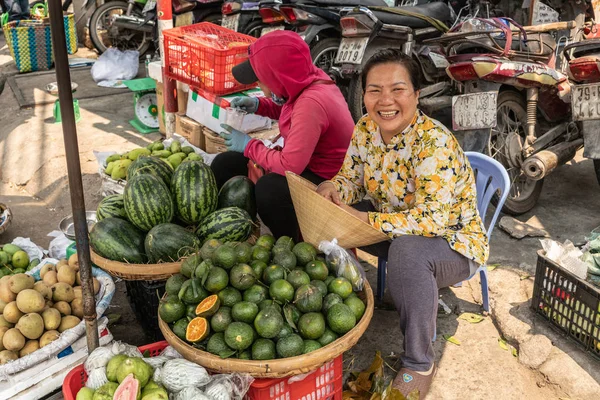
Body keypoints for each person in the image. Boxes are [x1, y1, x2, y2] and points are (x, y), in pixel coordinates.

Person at [317, 49, 489, 397]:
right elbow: (351, 178)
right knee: (325, 219)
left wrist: (364, 217)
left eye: (397, 89)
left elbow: (432, 219)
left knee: (408, 253)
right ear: (362, 94)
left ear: (416, 95)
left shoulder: (432, 143)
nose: (385, 101)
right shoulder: (366, 128)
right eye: (374, 90)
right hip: (393, 227)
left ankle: (418, 363)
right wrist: (333, 188)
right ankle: (338, 312)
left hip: (452, 243)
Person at [210, 30, 355, 242]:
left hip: (327, 179)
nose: (258, 85)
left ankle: (292, 244)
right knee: (226, 163)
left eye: (260, 79)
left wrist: (249, 146)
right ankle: (229, 229)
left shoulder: (312, 103)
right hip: (306, 162)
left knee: (269, 190)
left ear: (278, 78)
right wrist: (260, 105)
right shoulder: (305, 80)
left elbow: (290, 165)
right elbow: (290, 109)